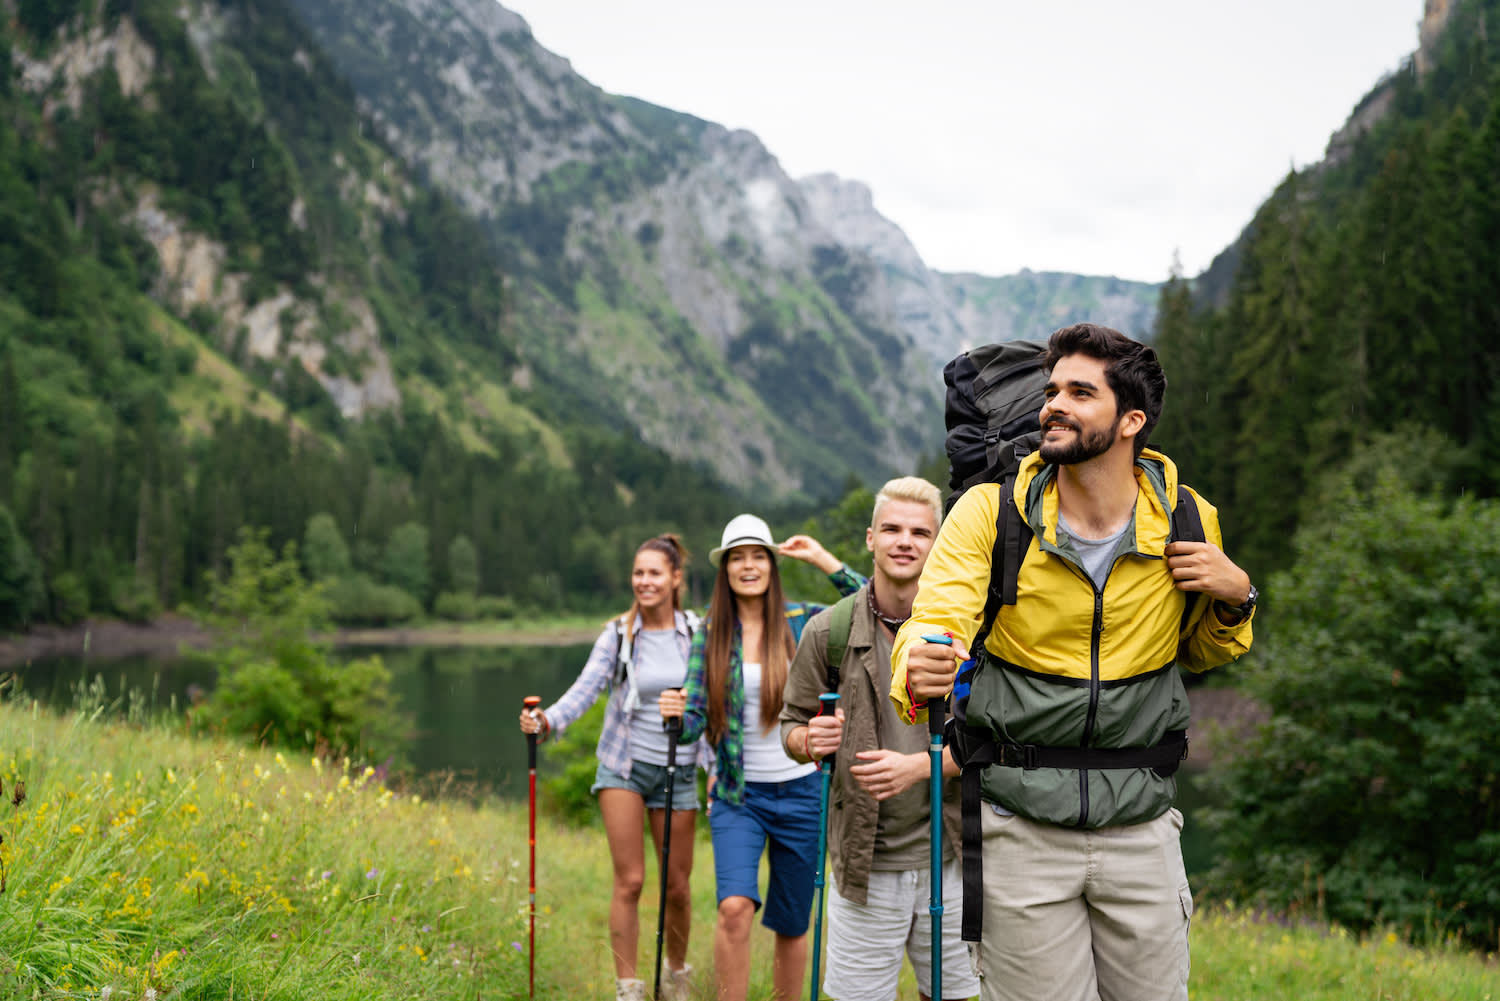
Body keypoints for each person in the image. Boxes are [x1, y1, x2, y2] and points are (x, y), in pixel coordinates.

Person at [890, 323, 1256, 1001]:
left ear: (1130, 420)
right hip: (1019, 832)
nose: (1053, 403)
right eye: (1051, 388)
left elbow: (1200, 650)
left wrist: (1238, 596)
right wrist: (920, 659)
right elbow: (935, 616)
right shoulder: (990, 513)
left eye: (1079, 392)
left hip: (1143, 829)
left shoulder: (1185, 516)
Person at [780, 476, 981, 1001]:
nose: (904, 541)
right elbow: (790, 728)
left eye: (919, 531)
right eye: (891, 528)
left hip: (955, 859)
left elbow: (994, 738)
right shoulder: (827, 632)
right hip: (864, 867)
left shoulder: (971, 632)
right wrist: (810, 739)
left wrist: (918, 767)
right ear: (870, 538)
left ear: (938, 543)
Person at [658, 514, 863, 1001]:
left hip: (805, 792)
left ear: (771, 565)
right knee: (733, 906)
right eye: (737, 558)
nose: (748, 566)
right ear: (725, 569)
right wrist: (675, 712)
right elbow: (689, 727)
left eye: (757, 556)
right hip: (737, 796)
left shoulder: (806, 622)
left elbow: (875, 604)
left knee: (793, 923)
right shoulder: (710, 633)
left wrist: (822, 559)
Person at [518, 534, 708, 1001]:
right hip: (623, 766)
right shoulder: (618, 634)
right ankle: (628, 988)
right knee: (632, 880)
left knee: (678, 888)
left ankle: (676, 975)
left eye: (655, 573)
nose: (644, 581)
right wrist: (545, 722)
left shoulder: (698, 632)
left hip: (679, 768)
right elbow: (586, 690)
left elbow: (713, 697)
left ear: (676, 578)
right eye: (638, 573)